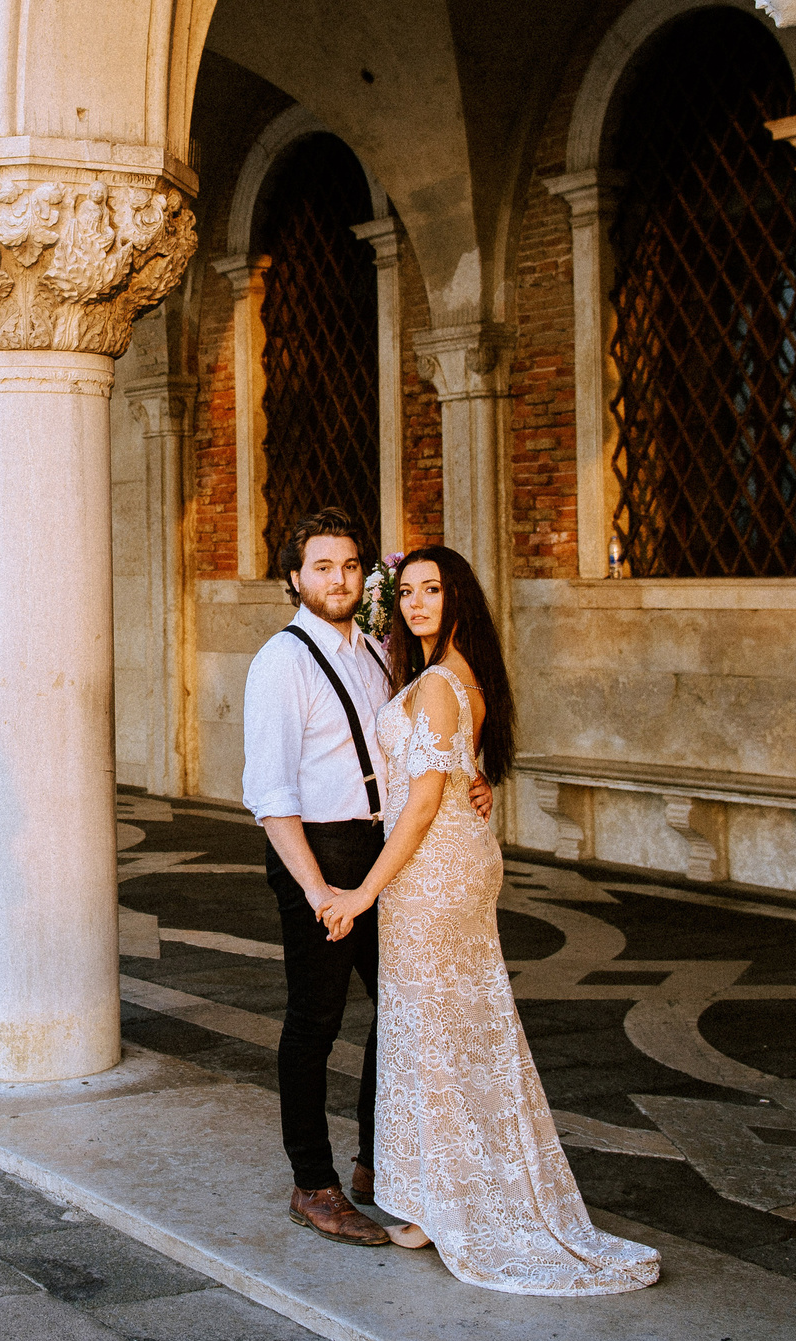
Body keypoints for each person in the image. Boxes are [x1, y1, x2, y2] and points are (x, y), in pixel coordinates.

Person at [318, 547, 660, 1294]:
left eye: (431, 589)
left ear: (457, 596)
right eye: (406, 591)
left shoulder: (441, 682)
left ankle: (456, 1202)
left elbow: (421, 803)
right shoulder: (447, 673)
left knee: (438, 1028)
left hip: (431, 871)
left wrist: (362, 892)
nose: (415, 602)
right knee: (447, 1027)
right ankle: (441, 1195)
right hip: (446, 862)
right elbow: (454, 775)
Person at [239, 506, 495, 1249]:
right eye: (322, 566)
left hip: (385, 851)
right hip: (318, 854)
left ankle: (375, 1161)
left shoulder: (377, 654)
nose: (338, 578)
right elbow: (270, 793)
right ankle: (312, 1183)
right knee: (314, 1020)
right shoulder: (280, 662)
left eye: (350, 565)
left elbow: (415, 747)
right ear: (295, 577)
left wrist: (470, 781)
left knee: (401, 1006)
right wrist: (316, 887)